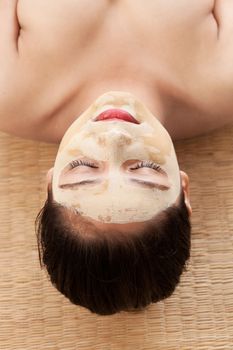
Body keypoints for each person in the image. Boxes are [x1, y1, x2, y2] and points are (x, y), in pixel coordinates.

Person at [0, 0, 232, 315]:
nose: (115, 138)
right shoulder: (225, 77)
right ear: (183, 189)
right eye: (146, 170)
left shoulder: (8, 89)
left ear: (50, 183)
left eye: (83, 168)